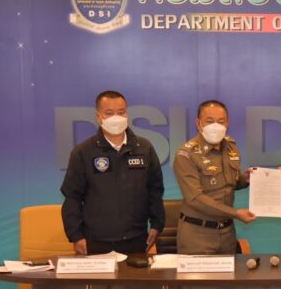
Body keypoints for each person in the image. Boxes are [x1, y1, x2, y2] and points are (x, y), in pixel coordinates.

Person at [61, 90, 165, 255]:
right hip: (96, 242)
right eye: (109, 113)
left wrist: (157, 225)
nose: (116, 118)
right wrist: (76, 236)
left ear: (127, 114)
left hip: (137, 239)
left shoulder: (144, 148)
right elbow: (72, 197)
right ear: (98, 117)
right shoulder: (83, 152)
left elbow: (155, 190)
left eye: (121, 112)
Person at [173, 100, 256, 254]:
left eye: (221, 121)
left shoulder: (231, 147)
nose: (216, 126)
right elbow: (195, 199)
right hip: (198, 235)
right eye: (209, 121)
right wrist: (235, 213)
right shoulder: (186, 155)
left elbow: (228, 183)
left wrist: (245, 179)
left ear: (228, 123)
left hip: (227, 235)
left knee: (230, 271)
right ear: (198, 124)